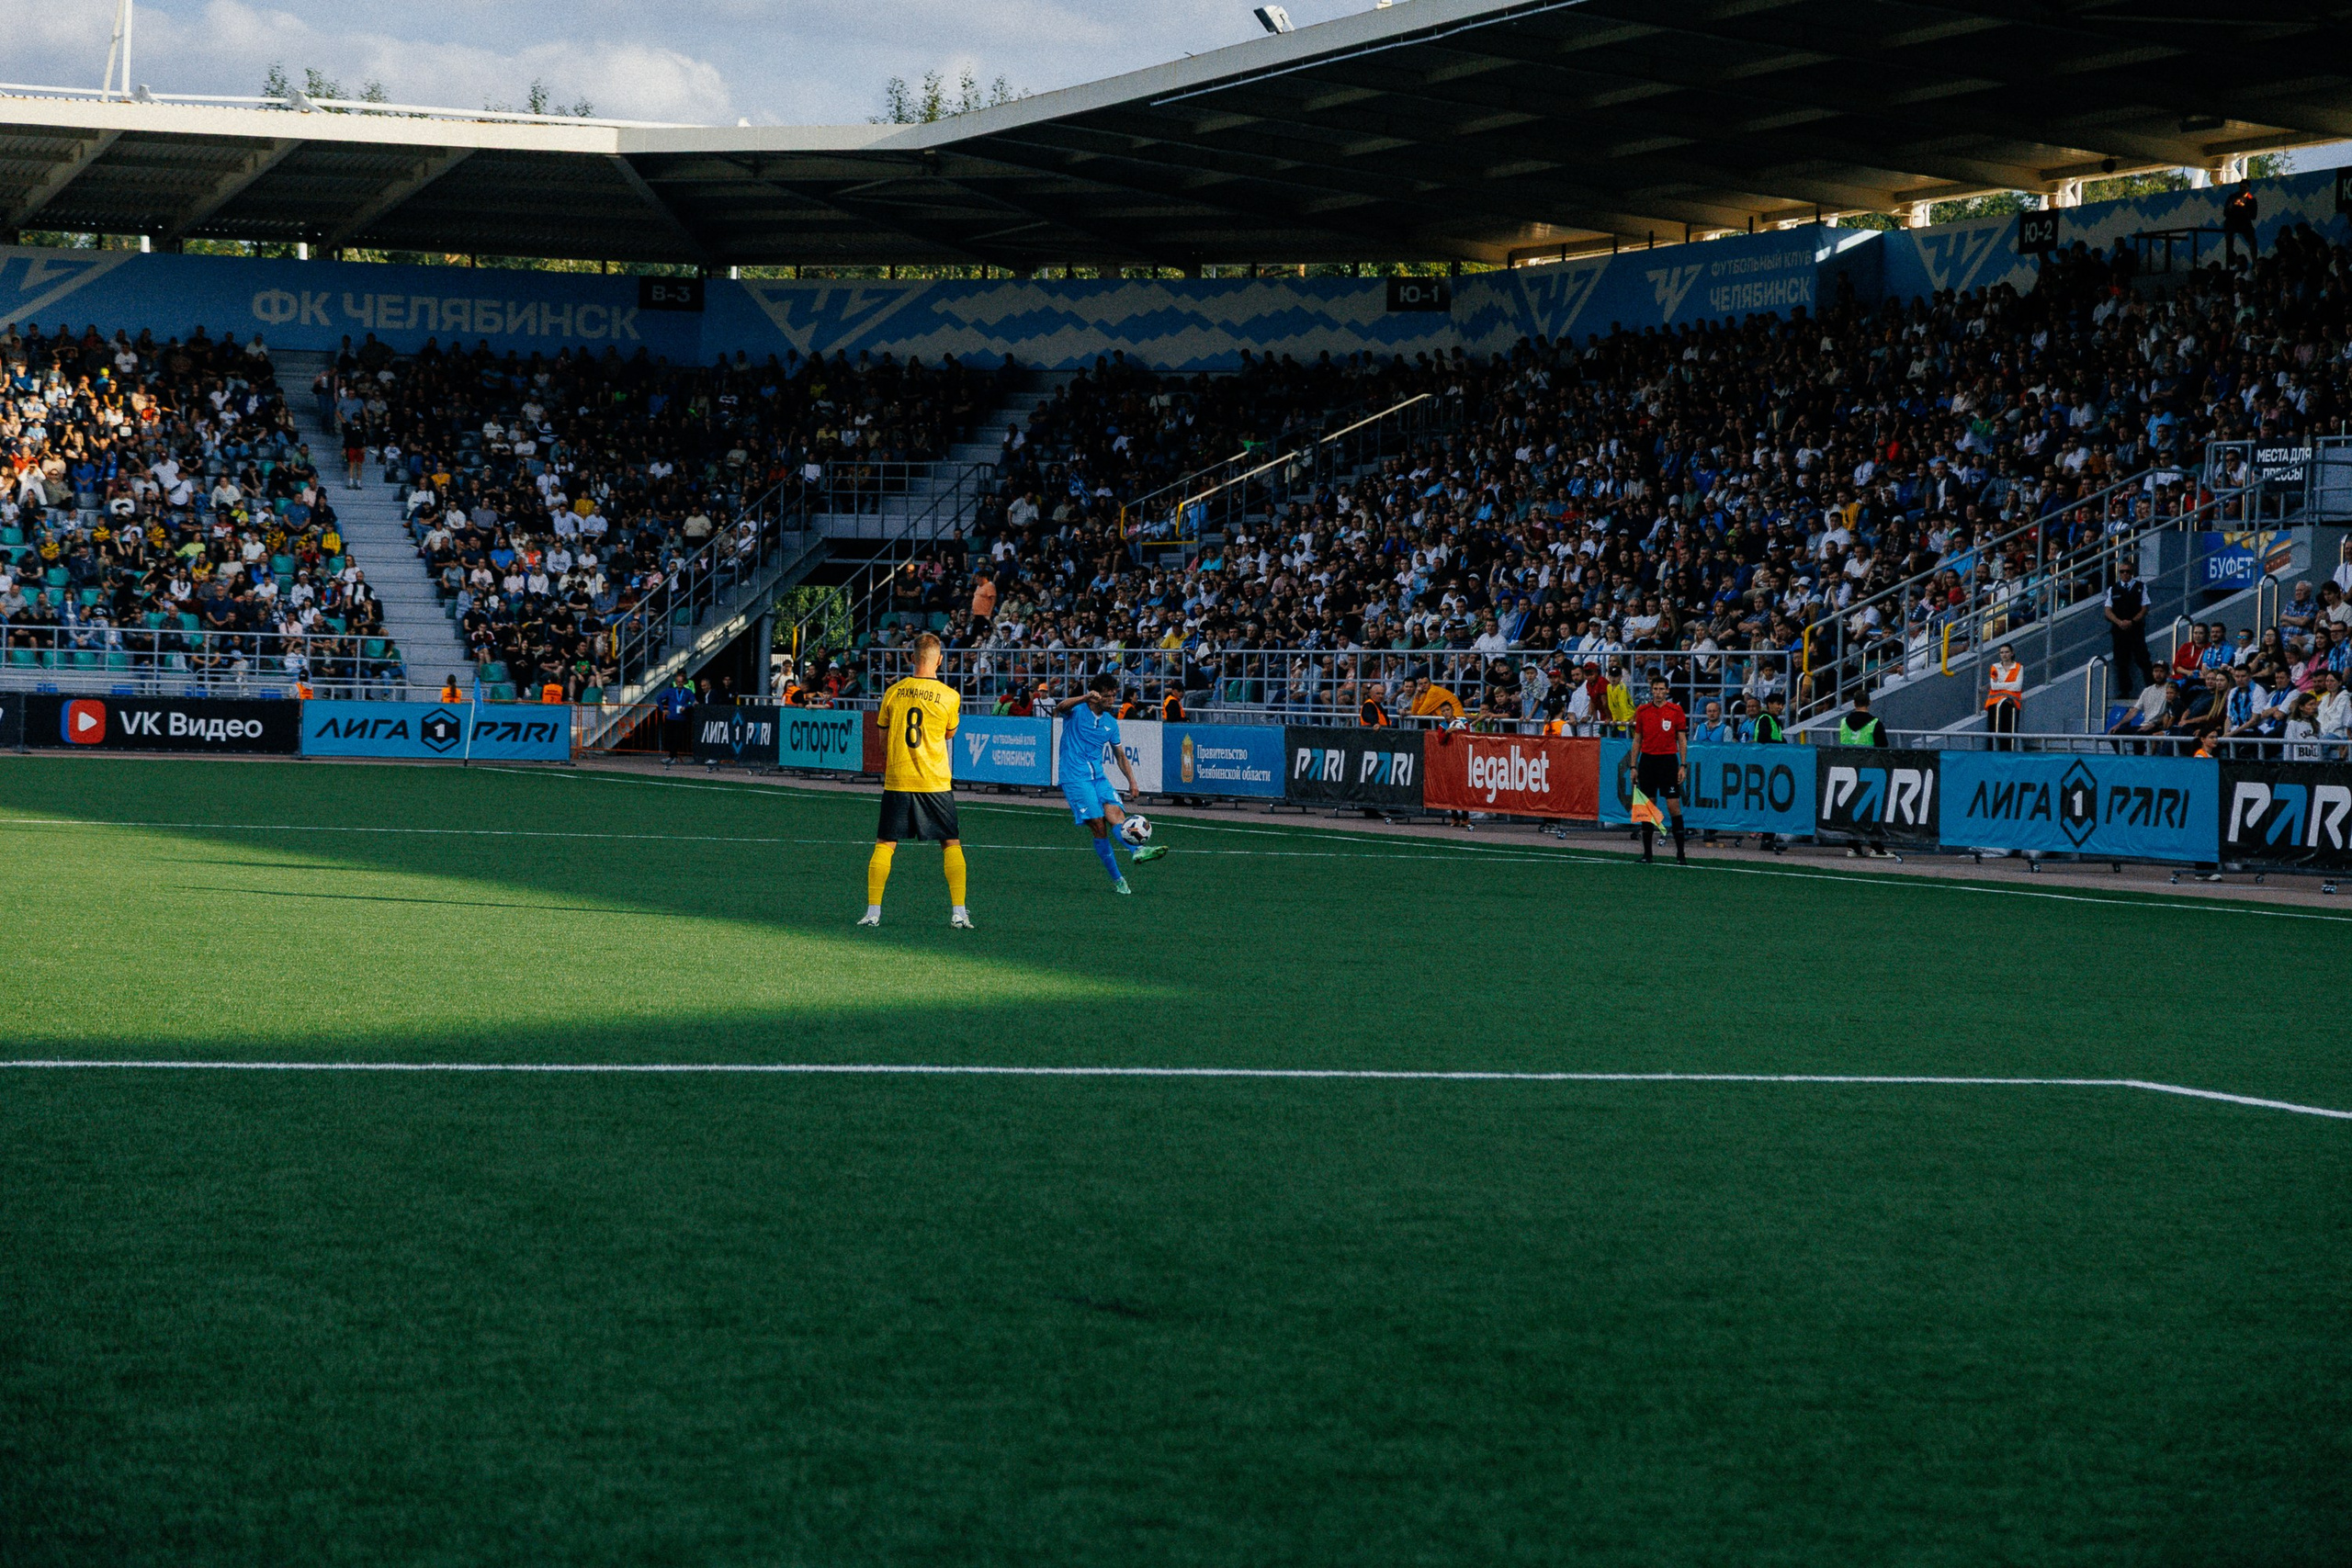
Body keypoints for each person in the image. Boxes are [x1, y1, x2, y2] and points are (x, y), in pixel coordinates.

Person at [860, 632, 970, 929]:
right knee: (950, 843)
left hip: (898, 779)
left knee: (885, 843)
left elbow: (882, 743)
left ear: (911, 658)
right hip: (935, 783)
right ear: (940, 660)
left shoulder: (894, 692)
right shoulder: (950, 696)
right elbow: (949, 734)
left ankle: (873, 913)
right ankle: (959, 912)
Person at [1051, 671, 1169, 895]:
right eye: (1108, 696)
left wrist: (1132, 781)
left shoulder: (1110, 723)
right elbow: (1061, 706)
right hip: (1075, 776)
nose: (1112, 700)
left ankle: (1138, 851)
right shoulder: (1077, 711)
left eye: (1114, 695)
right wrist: (1085, 697)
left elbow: (1120, 755)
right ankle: (1118, 879)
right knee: (1097, 823)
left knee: (1116, 814)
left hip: (1099, 777)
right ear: (1097, 696)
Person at [1631, 672, 1689, 863]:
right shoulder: (1643, 711)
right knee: (1648, 806)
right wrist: (1633, 766)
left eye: (1661, 689)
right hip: (1647, 761)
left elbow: (1681, 739)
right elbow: (1637, 739)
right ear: (1651, 690)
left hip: (1668, 762)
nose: (1658, 693)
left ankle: (1681, 854)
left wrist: (1682, 765)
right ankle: (1648, 854)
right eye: (1655, 689)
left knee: (1673, 806)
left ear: (1667, 691)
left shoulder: (1675, 711)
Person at [2104, 562, 2154, 694]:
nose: (2125, 574)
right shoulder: (2113, 589)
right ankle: (2125, 690)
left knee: (2143, 659)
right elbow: (2108, 610)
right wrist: (2119, 622)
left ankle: (2152, 687)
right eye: (2122, 571)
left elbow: (2145, 608)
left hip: (2136, 630)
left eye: (2127, 571)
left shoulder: (2140, 587)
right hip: (2119, 631)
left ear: (2132, 572)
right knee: (2121, 661)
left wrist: (2132, 621)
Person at [1985, 642, 2024, 750]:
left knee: (2008, 727)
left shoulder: (2018, 667)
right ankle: (1992, 750)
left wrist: (2001, 685)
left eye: (2007, 652)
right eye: (2002, 652)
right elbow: (1993, 686)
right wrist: (2010, 685)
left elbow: (2017, 687)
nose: (2004, 655)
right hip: (1994, 702)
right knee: (1993, 728)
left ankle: (2007, 750)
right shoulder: (1995, 667)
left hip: (2011, 702)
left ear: (2012, 653)